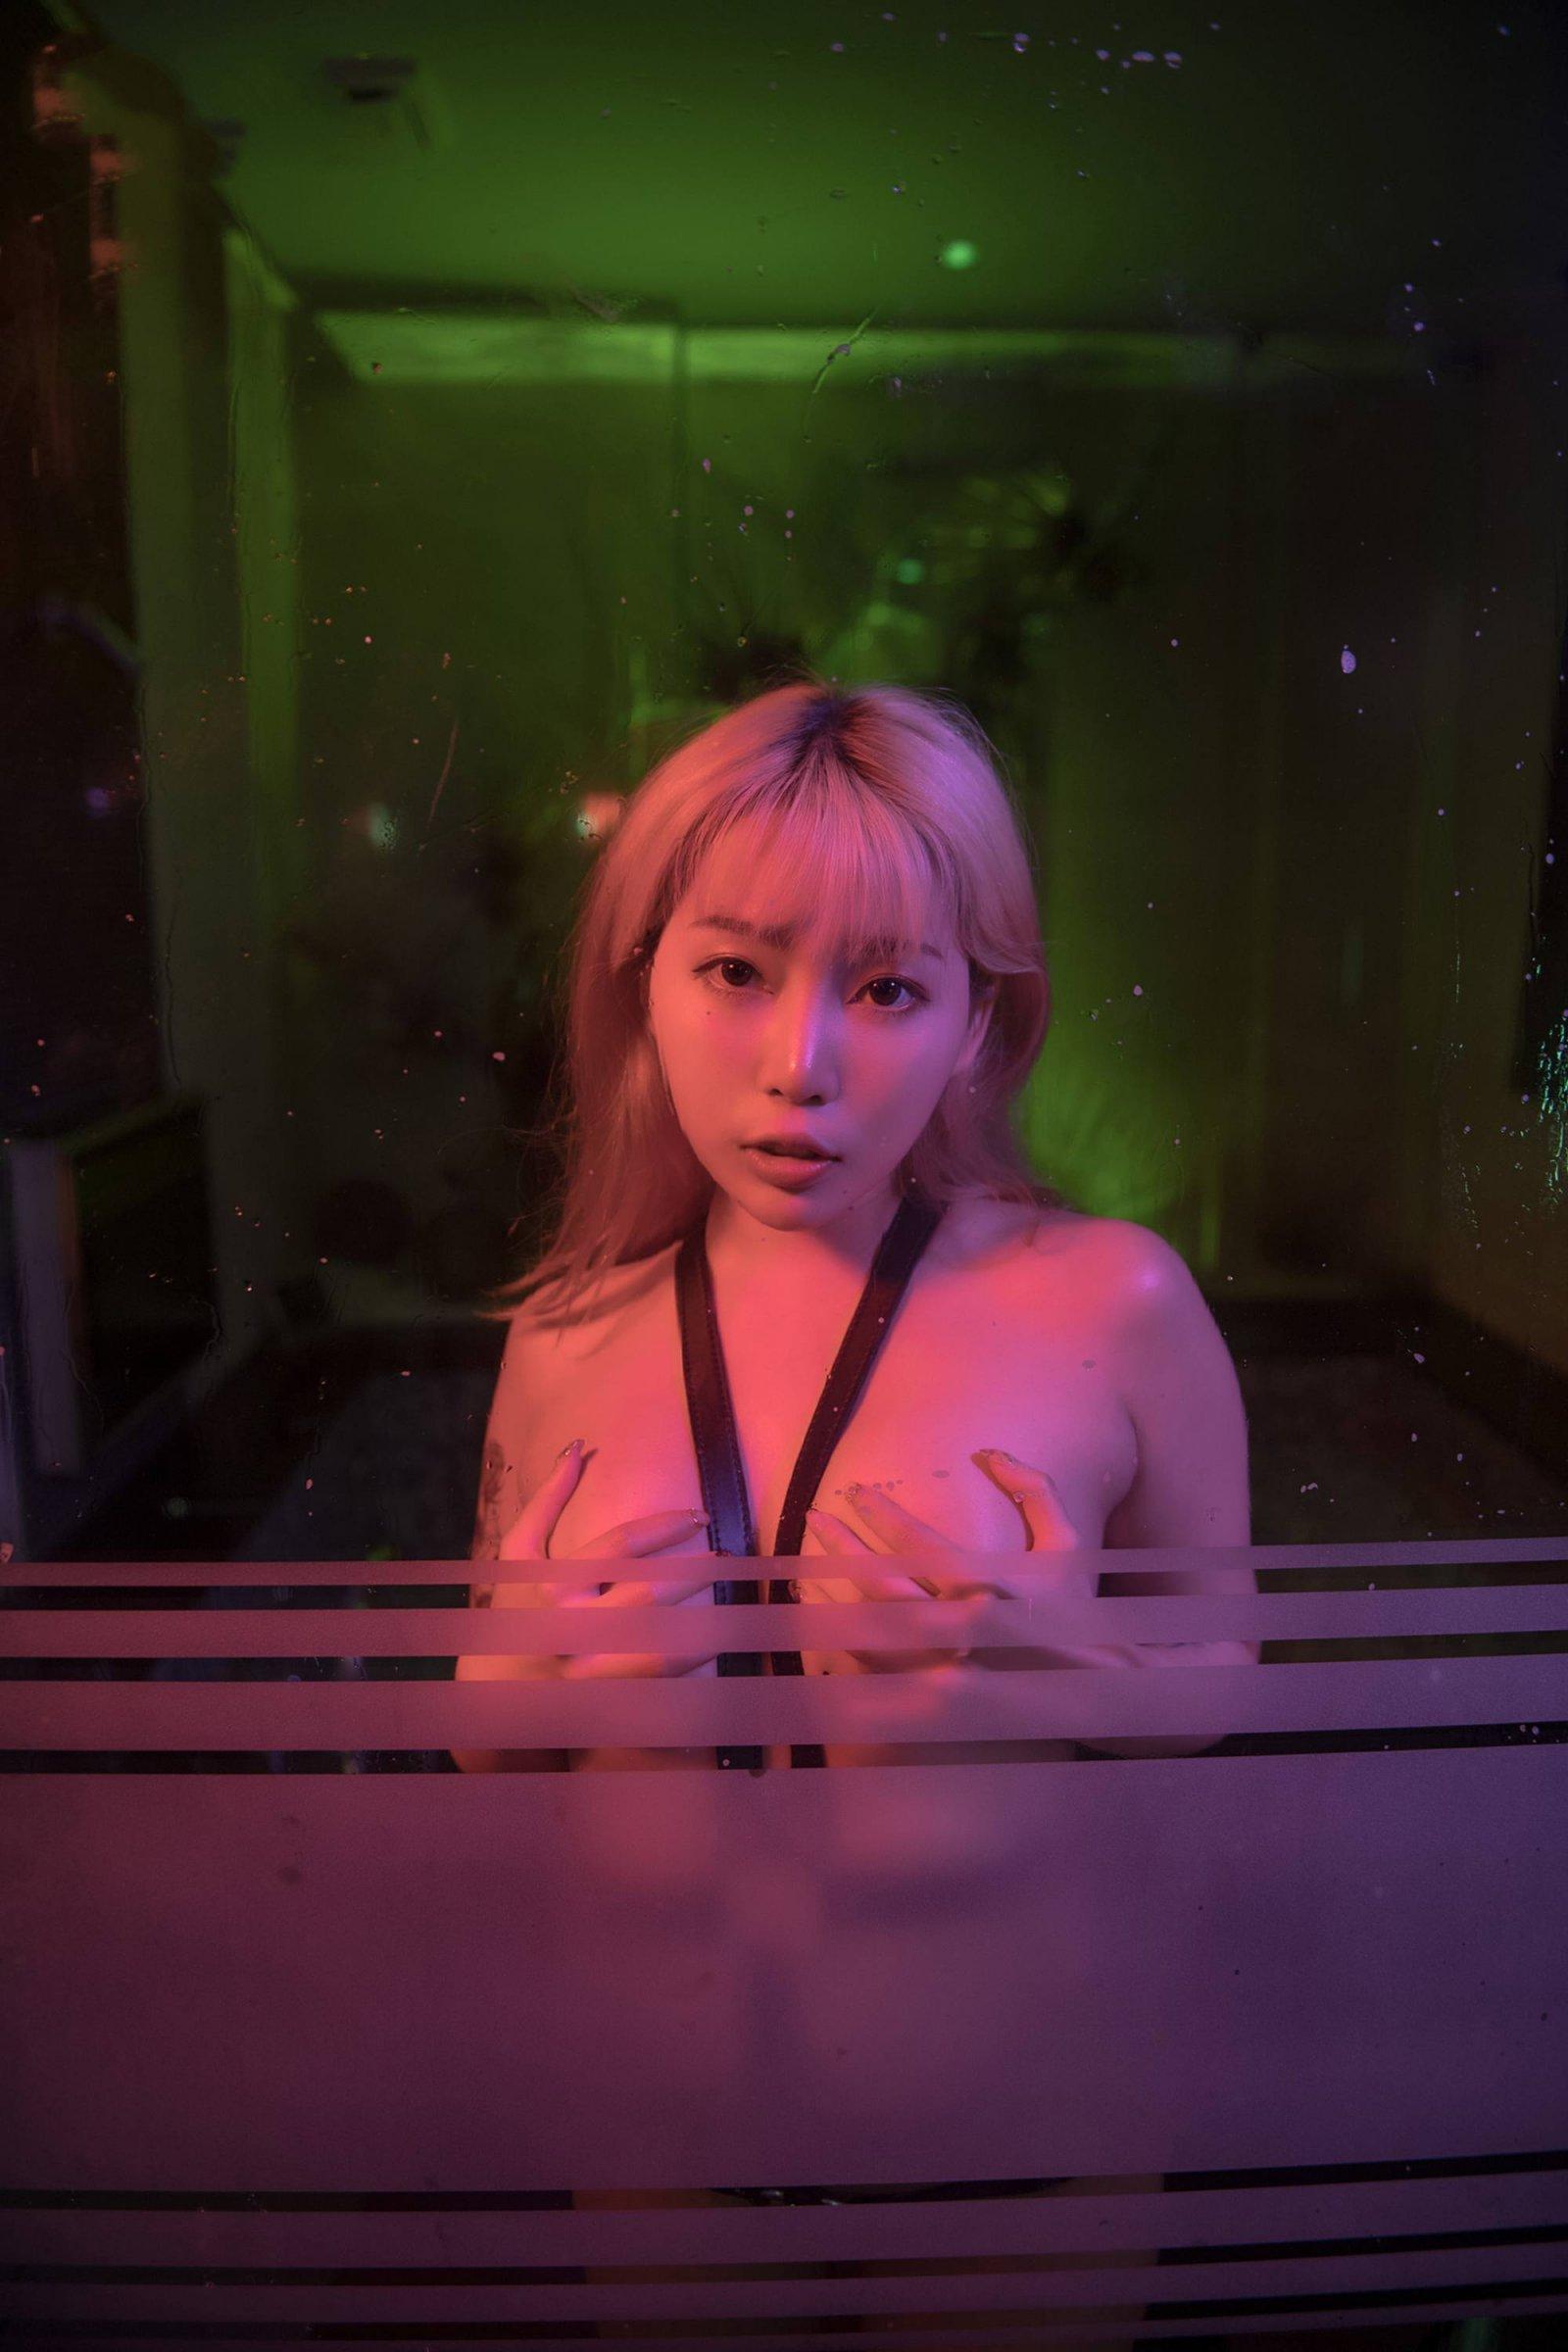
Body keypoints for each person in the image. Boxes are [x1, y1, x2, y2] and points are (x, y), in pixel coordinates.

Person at [450, 675, 1256, 2335]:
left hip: (1016, 2128)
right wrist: (544, 1677)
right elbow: (482, 1717)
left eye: (887, 987)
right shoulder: (565, 1336)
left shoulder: (1114, 1301)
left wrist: (1065, 1672)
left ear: (979, 1022)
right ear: (641, 983)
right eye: (735, 971)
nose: (800, 1065)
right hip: (658, 2135)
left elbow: (1225, 1676)